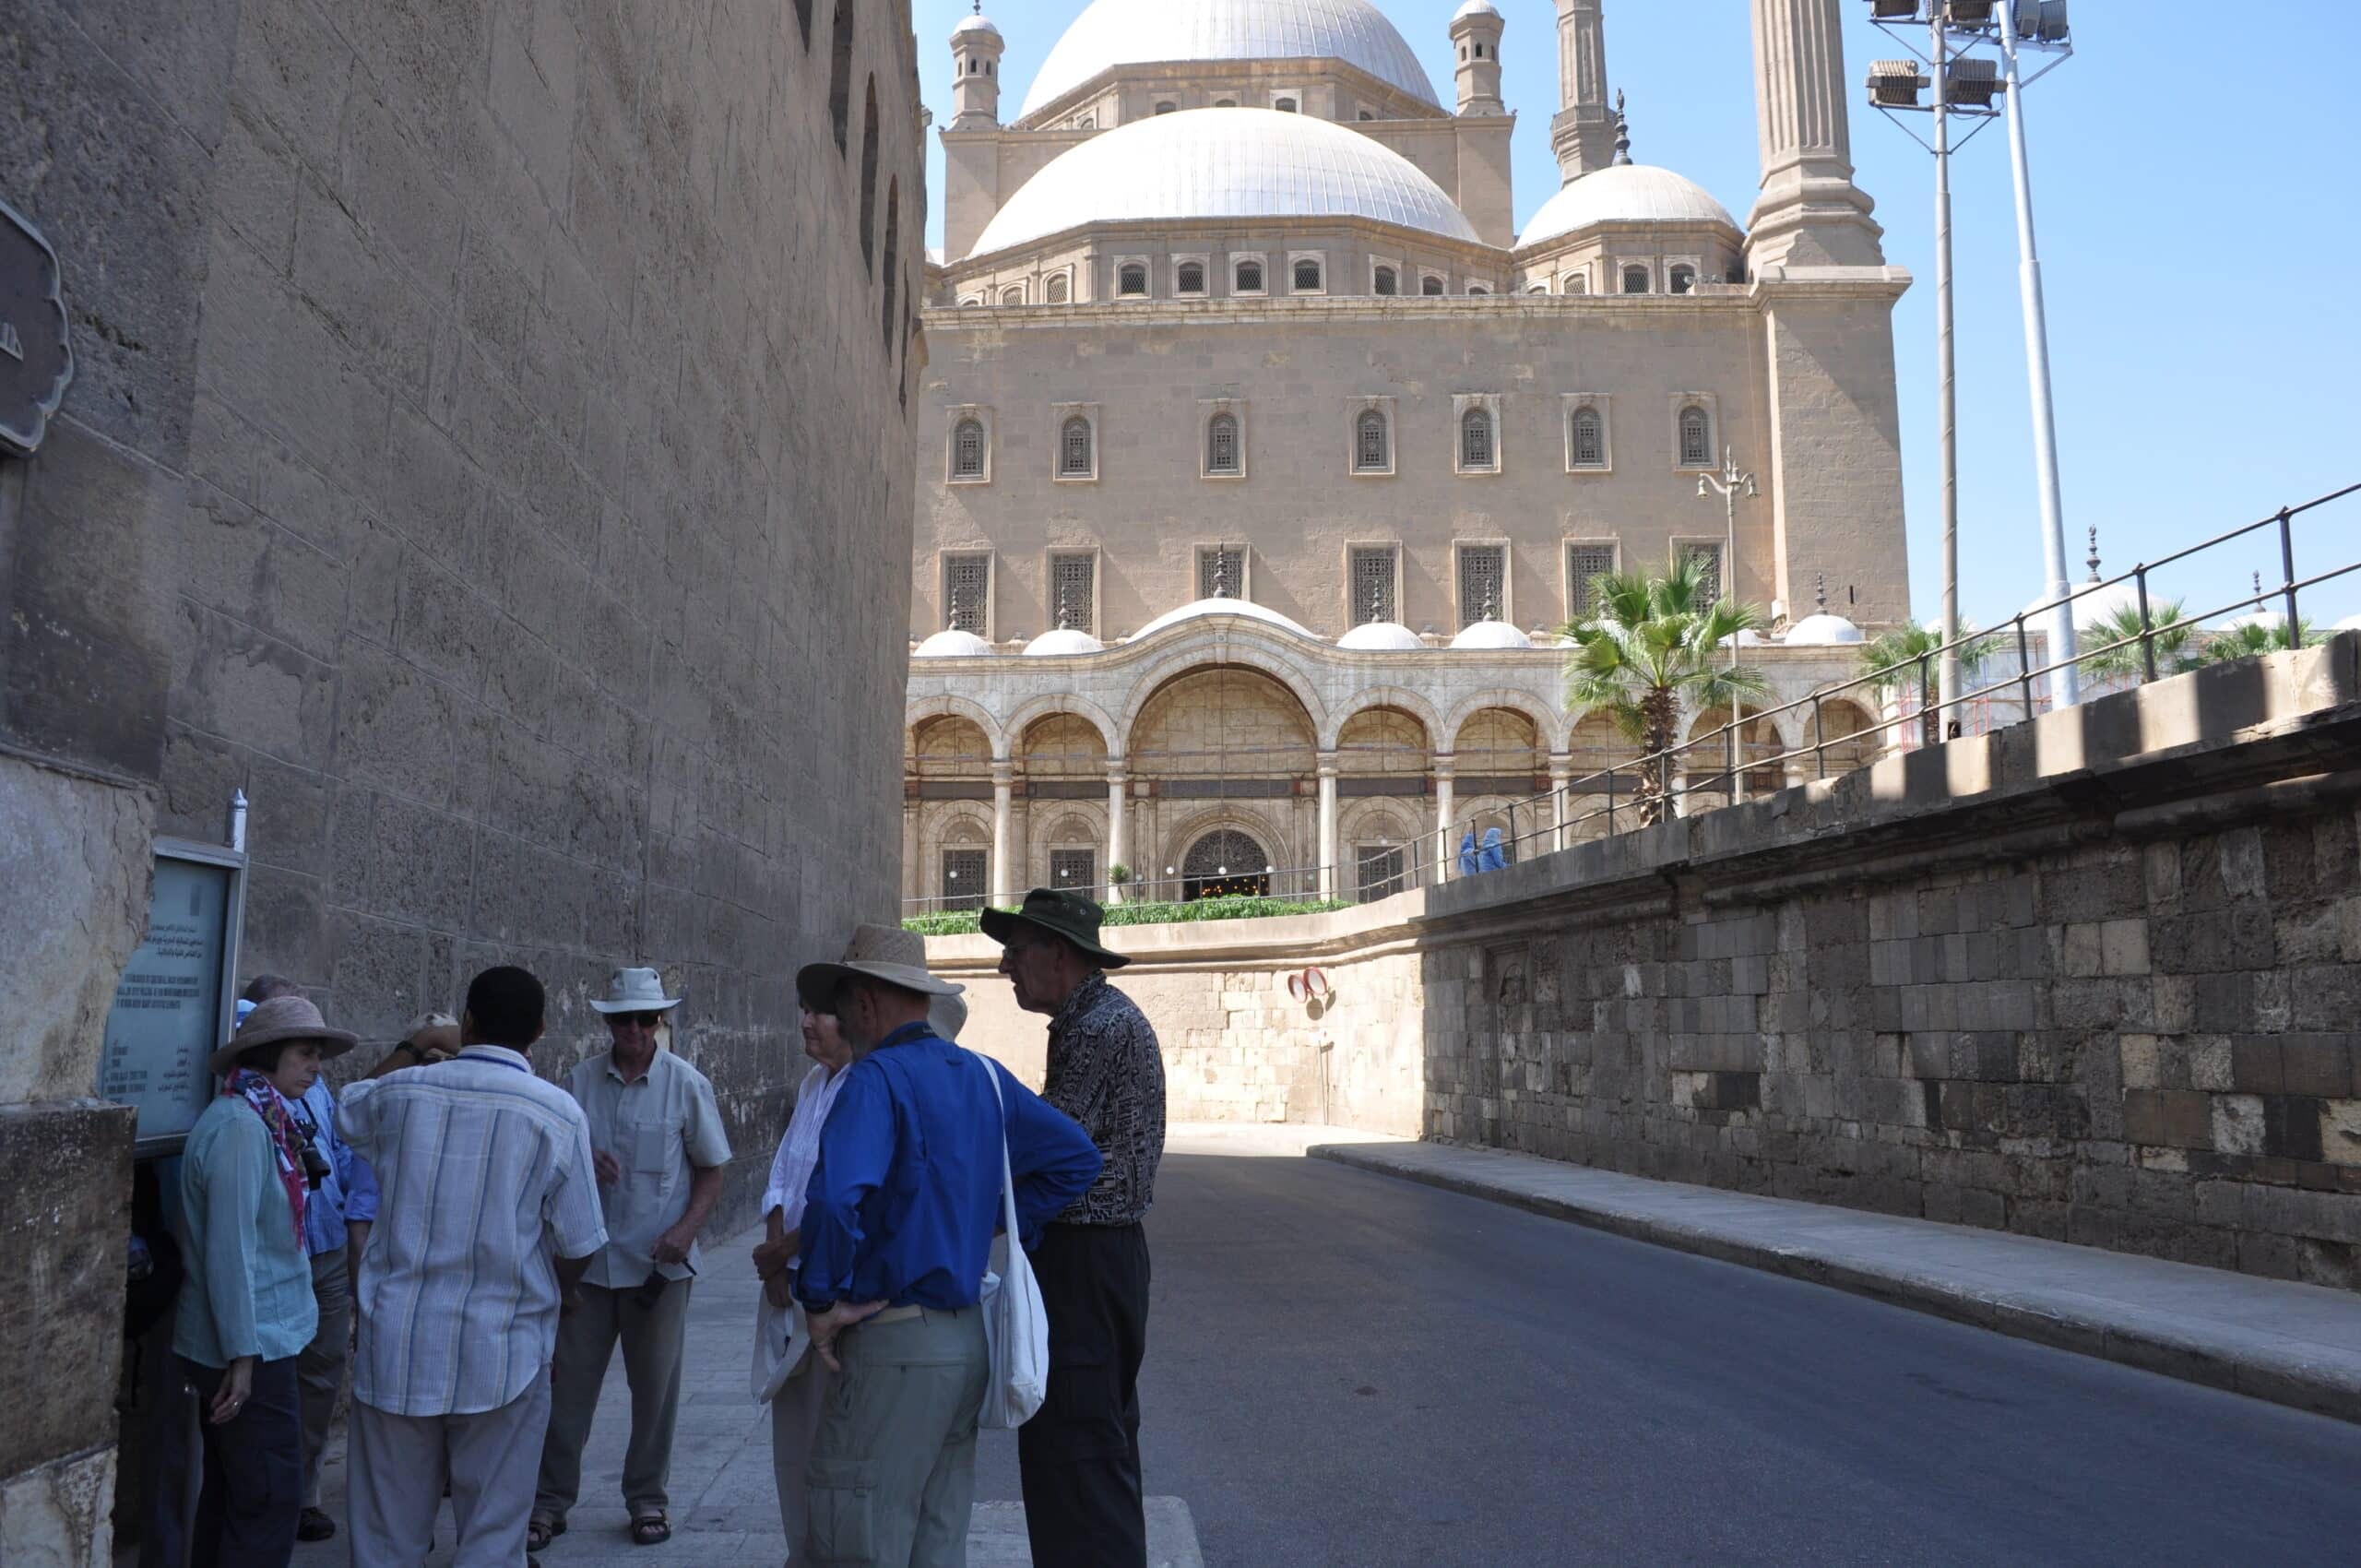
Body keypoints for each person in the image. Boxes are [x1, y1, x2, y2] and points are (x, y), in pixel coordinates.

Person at [794, 924, 1102, 1568]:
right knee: (936, 1538)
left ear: (868, 1001)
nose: (841, 1021)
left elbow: (832, 1200)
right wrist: (989, 1221)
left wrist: (819, 1299)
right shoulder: (984, 1077)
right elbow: (1076, 1159)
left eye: (843, 1005)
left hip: (894, 1339)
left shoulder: (875, 1080)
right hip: (965, 1343)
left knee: (854, 1535)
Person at [337, 966, 608, 1568]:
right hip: (503, 1348)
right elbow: (582, 1239)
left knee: (385, 1536)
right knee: (493, 1535)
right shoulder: (556, 1114)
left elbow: (344, 1112)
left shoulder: (401, 1093)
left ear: (468, 1023)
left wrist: (413, 1047)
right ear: (540, 1030)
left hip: (399, 1343)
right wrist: (563, 1292)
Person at [984, 888, 1168, 1568]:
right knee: (1094, 1445)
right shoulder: (1092, 1020)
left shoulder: (1095, 1028)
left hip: (1087, 1261)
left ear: (1055, 954)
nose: (1006, 967)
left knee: (1077, 1452)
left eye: (1015, 950)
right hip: (1102, 1260)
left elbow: (1047, 1146)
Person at [529, 966, 731, 1550]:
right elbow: (551, 1164)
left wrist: (685, 1232)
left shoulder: (687, 1084)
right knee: (567, 1394)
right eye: (624, 1020)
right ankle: (549, 1502)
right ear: (608, 1023)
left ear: (660, 1021)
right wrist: (581, 1162)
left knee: (656, 1393)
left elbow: (713, 1171)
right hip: (587, 1267)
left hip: (656, 1269)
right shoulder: (576, 1082)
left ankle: (647, 1500)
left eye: (647, 1019)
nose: (636, 1030)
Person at [172, 993, 355, 1567]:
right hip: (249, 1344)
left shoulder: (262, 1119)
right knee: (268, 1501)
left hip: (256, 1338)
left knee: (236, 1495)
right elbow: (230, 1251)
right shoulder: (241, 1130)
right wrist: (244, 1357)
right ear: (270, 1055)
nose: (315, 1065)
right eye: (305, 1053)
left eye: (317, 1054)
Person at [236, 974, 383, 1544]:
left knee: (320, 1378)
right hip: (281, 1256)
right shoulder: (246, 1105)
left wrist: (355, 1227)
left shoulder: (313, 1089)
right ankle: (267, 1497)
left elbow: (344, 1155)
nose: (315, 1062)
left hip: (322, 1251)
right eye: (304, 1048)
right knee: (272, 1379)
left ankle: (301, 1493)